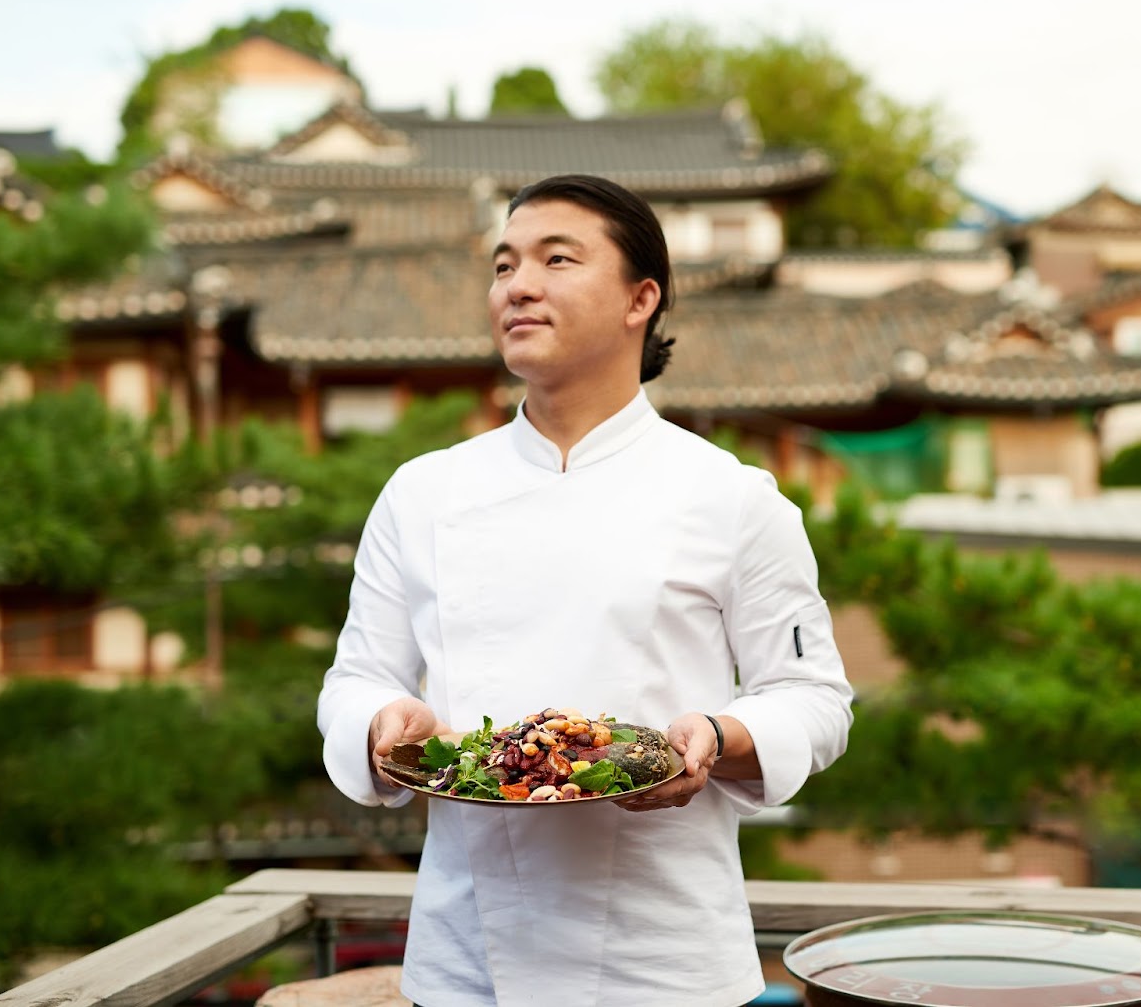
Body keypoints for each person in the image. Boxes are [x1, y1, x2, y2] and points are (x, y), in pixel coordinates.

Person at [317, 173, 855, 1007]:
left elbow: (816, 699)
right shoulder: (424, 492)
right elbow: (355, 679)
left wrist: (720, 732)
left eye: (556, 259)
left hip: (665, 959)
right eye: (503, 266)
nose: (518, 285)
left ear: (642, 298)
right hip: (465, 960)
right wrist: (383, 723)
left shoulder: (731, 497)